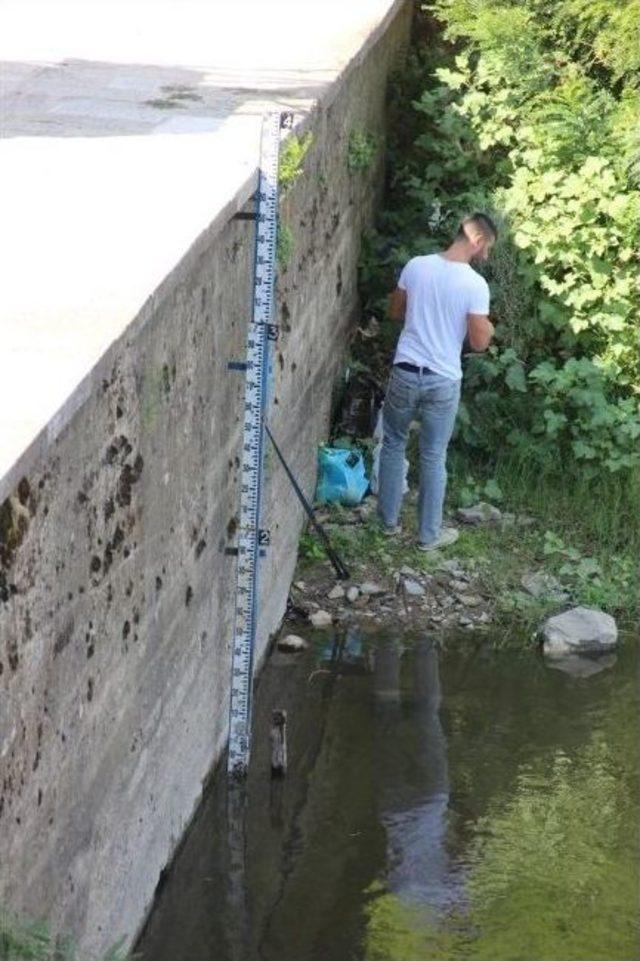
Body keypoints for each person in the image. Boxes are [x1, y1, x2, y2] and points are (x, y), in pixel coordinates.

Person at [377, 212, 497, 550]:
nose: (485, 255)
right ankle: (428, 537)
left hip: (405, 370)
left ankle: (386, 524)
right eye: (486, 248)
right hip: (442, 380)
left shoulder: (417, 265)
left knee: (393, 444)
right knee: (432, 455)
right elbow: (478, 343)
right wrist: (487, 328)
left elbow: (395, 311)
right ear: (477, 240)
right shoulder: (475, 285)